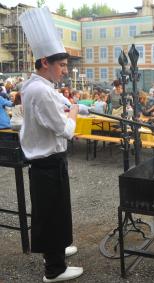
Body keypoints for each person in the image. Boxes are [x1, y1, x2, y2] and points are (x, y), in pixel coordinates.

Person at [19, 7, 83, 282]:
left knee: (59, 209)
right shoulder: (38, 90)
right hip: (46, 162)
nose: (65, 71)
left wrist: (75, 108)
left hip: (51, 161)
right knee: (51, 212)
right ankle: (53, 269)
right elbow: (66, 128)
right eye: (62, 66)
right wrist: (75, 114)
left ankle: (58, 249)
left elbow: (63, 104)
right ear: (45, 62)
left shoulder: (40, 86)